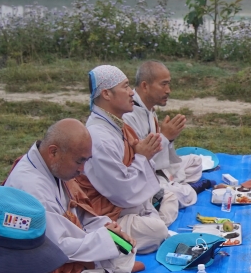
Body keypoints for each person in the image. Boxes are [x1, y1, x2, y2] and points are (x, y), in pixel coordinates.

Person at [5, 119, 136, 273]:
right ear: (54, 152)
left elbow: (83, 214)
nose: (83, 170)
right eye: (79, 161)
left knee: (126, 245)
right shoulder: (31, 187)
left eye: (86, 161)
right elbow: (56, 249)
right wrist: (105, 240)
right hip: (48, 272)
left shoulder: (54, 168)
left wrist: (108, 228)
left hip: (77, 251)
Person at [75, 65, 178, 253]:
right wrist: (142, 156)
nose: (132, 93)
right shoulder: (99, 137)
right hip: (107, 214)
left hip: (129, 203)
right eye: (126, 87)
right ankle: (125, 239)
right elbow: (122, 193)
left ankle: (149, 223)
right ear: (106, 94)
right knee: (157, 230)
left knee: (170, 197)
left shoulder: (117, 125)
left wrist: (144, 155)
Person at [124, 60, 209, 209]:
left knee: (195, 162)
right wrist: (165, 137)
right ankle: (186, 188)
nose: (168, 90)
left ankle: (175, 183)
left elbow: (162, 155)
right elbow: (139, 161)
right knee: (175, 196)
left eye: (169, 84)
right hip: (142, 176)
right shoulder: (129, 116)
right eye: (163, 84)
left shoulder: (149, 109)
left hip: (158, 168)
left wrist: (169, 139)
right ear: (145, 86)